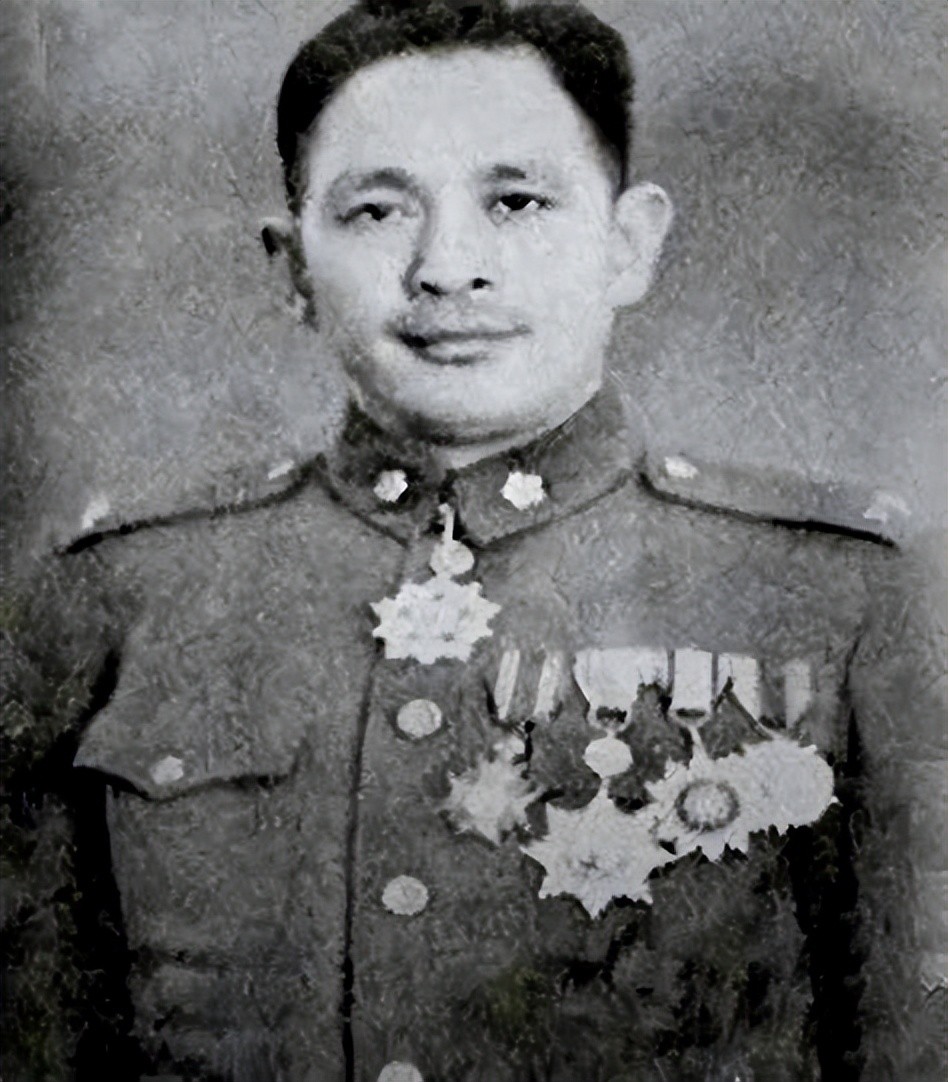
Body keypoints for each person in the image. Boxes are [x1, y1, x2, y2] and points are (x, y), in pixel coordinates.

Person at [1, 2, 942, 1080]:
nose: (448, 267)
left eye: (516, 201)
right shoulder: (120, 597)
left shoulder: (841, 596)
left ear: (628, 245)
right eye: (376, 211)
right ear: (293, 267)